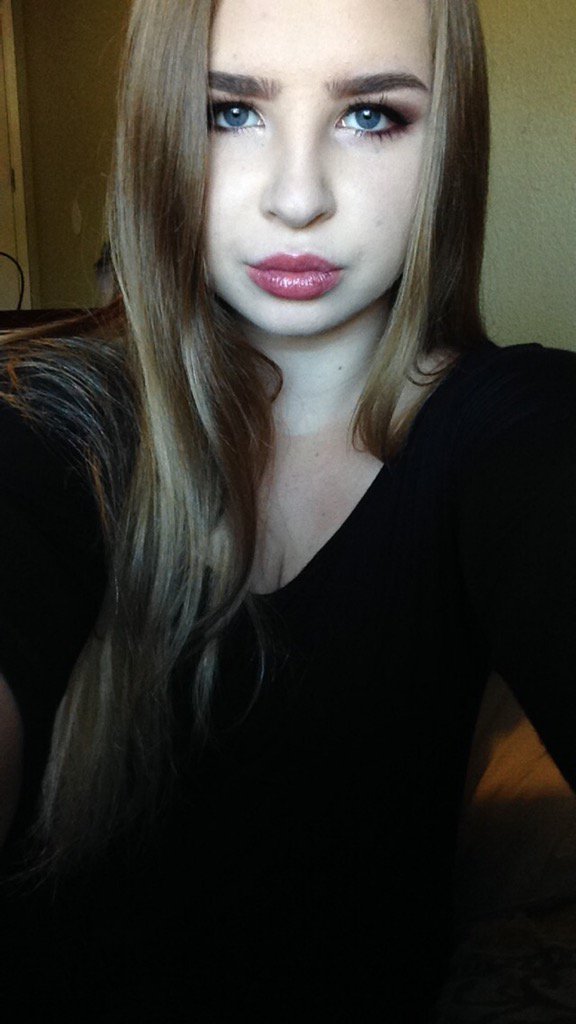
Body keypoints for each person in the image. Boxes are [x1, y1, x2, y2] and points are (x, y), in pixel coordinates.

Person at [0, 0, 575, 1020]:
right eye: (229, 112)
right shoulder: (54, 422)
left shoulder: (510, 433)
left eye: (370, 115)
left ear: (451, 141)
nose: (297, 198)